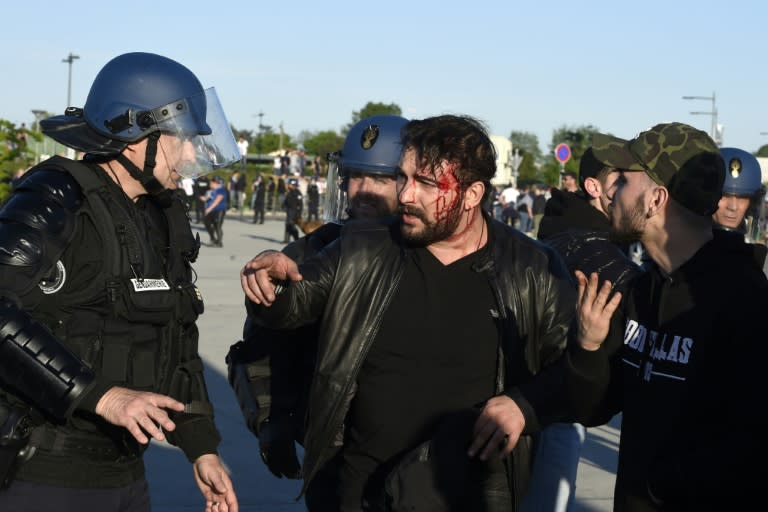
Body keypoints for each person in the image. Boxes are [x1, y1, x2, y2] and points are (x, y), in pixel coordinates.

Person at [241, 115, 578, 511]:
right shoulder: (358, 246)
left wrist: (525, 403)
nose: (404, 195)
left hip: (464, 497)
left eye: (425, 184)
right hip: (353, 494)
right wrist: (274, 286)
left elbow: (575, 379)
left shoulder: (533, 269)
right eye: (402, 178)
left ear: (472, 195)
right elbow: (288, 310)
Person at [0, 52, 238, 512]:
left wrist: (201, 445)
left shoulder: (161, 218)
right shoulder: (55, 199)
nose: (192, 154)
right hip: (43, 474)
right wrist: (100, 396)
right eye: (183, 139)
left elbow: (175, 336)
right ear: (134, 137)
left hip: (125, 475)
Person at [573, 122, 768, 510]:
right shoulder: (641, 291)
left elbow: (748, 448)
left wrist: (664, 482)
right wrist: (589, 347)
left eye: (623, 181)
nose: (610, 193)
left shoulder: (745, 303)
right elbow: (592, 410)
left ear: (656, 199)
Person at [226, 114, 407, 486]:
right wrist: (269, 420)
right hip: (334, 454)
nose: (363, 190)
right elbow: (259, 351)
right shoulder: (311, 251)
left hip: (416, 455)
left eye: (379, 179)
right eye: (356, 176)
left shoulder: (433, 256)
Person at [525, 148, 640, 512]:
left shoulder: (567, 224)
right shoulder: (594, 249)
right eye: (619, 181)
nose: (628, 190)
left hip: (540, 398)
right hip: (557, 407)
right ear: (593, 186)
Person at [712, 147, 768, 275]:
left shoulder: (759, 261)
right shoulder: (683, 253)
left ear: (752, 203)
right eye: (724, 195)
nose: (733, 206)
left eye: (742, 198)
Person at [204, 176, 228, 247]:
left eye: (211, 182)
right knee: (207, 223)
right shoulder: (212, 190)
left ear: (215, 183)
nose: (210, 184)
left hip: (219, 210)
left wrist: (209, 209)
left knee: (217, 226)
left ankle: (219, 242)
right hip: (211, 210)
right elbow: (209, 199)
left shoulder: (221, 189)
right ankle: (213, 239)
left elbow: (217, 200)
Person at [281, 177, 303, 243]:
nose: (288, 185)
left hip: (295, 212)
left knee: (292, 226)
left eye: (289, 184)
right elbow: (285, 202)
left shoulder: (298, 193)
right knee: (287, 225)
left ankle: (296, 240)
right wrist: (283, 207)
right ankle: (286, 239)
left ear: (293, 185)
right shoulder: (289, 192)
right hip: (289, 211)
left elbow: (301, 205)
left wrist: (299, 214)